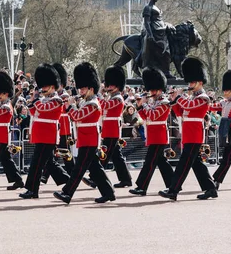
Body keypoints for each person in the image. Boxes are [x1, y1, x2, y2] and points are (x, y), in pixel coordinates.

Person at [52, 62, 114, 204]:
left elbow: (77, 116)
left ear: (91, 89)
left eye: (83, 88)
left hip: (90, 139)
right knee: (95, 168)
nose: (80, 91)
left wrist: (70, 106)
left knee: (78, 169)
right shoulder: (87, 101)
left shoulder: (93, 103)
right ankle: (108, 193)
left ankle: (67, 193)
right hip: (85, 137)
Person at [159, 57, 217, 201]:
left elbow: (189, 106)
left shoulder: (204, 97)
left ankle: (173, 190)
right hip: (188, 133)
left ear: (200, 82)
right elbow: (181, 112)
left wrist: (179, 97)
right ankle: (210, 189)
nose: (190, 84)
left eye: (192, 82)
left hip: (195, 134)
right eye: (189, 82)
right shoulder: (190, 97)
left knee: (183, 164)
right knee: (197, 164)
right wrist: (174, 101)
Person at [19, 63, 69, 199]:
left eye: (45, 85)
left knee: (37, 163)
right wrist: (33, 101)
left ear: (53, 86)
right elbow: (35, 112)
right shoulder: (43, 99)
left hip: (49, 134)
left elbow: (43, 109)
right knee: (47, 162)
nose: (43, 88)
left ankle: (32, 190)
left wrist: (35, 100)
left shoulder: (57, 100)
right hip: (41, 134)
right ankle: (68, 181)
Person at [84, 66, 132, 189]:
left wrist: (98, 93)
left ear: (117, 86)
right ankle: (125, 179)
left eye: (111, 85)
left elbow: (105, 106)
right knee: (116, 156)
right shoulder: (112, 96)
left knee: (104, 154)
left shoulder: (118, 98)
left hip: (113, 129)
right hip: (108, 128)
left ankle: (95, 178)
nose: (109, 87)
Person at [129, 67, 173, 196]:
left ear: (160, 89)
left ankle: (142, 187)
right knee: (161, 162)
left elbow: (153, 116)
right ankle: (173, 185)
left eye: (154, 89)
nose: (151, 92)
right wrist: (140, 106)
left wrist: (144, 104)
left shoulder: (164, 103)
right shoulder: (154, 101)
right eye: (151, 89)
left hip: (159, 135)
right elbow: (145, 117)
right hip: (152, 134)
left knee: (150, 162)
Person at [42, 63, 75, 184]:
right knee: (52, 153)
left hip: (64, 126)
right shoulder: (53, 95)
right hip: (56, 126)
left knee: (64, 152)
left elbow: (66, 109)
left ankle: (73, 173)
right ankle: (45, 175)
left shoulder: (64, 95)